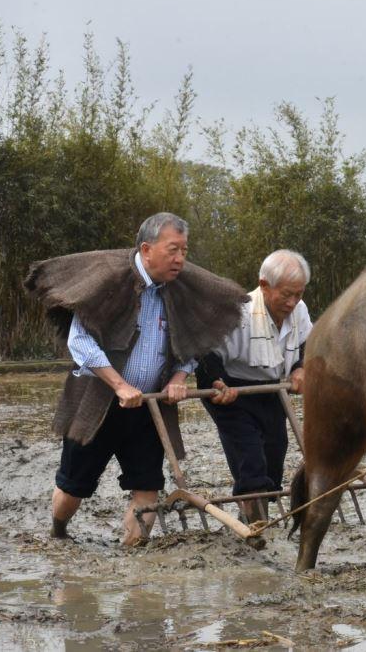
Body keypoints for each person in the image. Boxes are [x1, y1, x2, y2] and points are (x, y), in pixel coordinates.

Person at [24, 213, 245, 545]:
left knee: (148, 487)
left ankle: (132, 554)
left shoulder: (182, 290)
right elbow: (79, 341)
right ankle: (58, 531)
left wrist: (179, 376)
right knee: (73, 487)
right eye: (173, 250)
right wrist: (119, 385)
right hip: (100, 401)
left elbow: (193, 342)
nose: (180, 259)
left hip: (149, 406)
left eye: (184, 251)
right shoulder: (109, 282)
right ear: (146, 249)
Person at [196, 250, 313, 522]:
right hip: (232, 392)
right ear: (264, 285)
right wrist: (217, 382)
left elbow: (306, 343)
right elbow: (205, 354)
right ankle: (255, 525)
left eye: (298, 294)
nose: (293, 302)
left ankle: (254, 512)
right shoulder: (238, 313)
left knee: (275, 453)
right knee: (250, 458)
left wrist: (300, 367)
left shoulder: (300, 310)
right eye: (286, 294)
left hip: (271, 390)